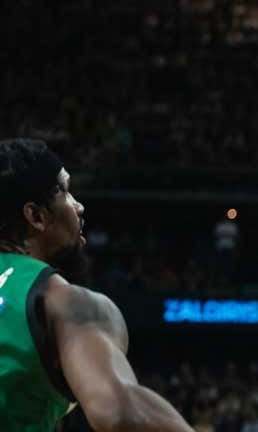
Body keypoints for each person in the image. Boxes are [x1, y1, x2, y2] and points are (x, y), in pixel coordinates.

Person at [0, 138, 193, 431]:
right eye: (65, 191)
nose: (79, 205)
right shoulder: (61, 300)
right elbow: (118, 412)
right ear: (36, 216)